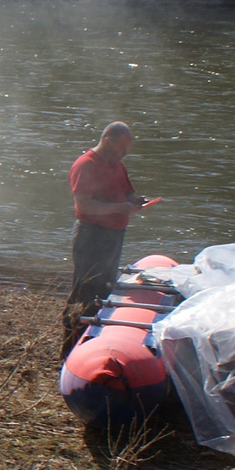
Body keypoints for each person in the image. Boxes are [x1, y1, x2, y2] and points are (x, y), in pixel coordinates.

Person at [67, 120, 152, 322]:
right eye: (121, 147)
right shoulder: (86, 164)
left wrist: (135, 202)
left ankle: (92, 335)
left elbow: (127, 193)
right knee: (84, 290)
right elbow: (84, 206)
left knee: (105, 287)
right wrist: (120, 208)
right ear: (107, 140)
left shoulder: (117, 166)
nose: (124, 153)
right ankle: (70, 341)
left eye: (127, 149)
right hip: (92, 234)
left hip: (113, 235)